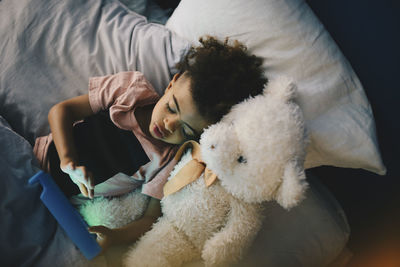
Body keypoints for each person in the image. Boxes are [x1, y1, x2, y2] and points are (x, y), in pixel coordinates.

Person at [33, 36, 268, 252]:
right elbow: (62, 111)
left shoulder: (167, 161)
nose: (168, 124)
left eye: (185, 130)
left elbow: (150, 219)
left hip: (62, 206)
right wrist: (67, 160)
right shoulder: (129, 91)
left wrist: (115, 237)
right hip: (37, 159)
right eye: (172, 107)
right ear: (172, 83)